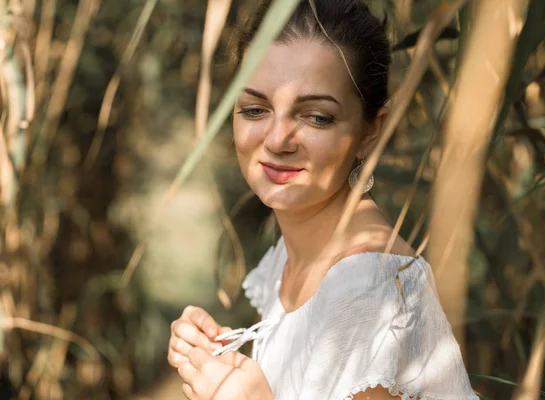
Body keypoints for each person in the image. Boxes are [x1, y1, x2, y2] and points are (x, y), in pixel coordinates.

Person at [168, 0, 479, 399]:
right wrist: (213, 357)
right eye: (254, 109)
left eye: (316, 117)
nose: (277, 140)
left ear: (371, 130)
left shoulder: (366, 284)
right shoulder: (293, 254)